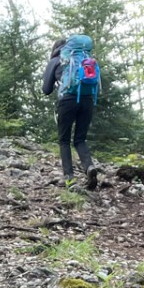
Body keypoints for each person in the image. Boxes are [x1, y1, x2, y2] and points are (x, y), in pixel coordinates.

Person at [42, 36, 98, 189]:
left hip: (67, 101)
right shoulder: (82, 58)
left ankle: (70, 178)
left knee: (64, 140)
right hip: (87, 99)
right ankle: (89, 167)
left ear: (54, 49)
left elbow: (46, 89)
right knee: (80, 139)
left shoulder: (55, 61)